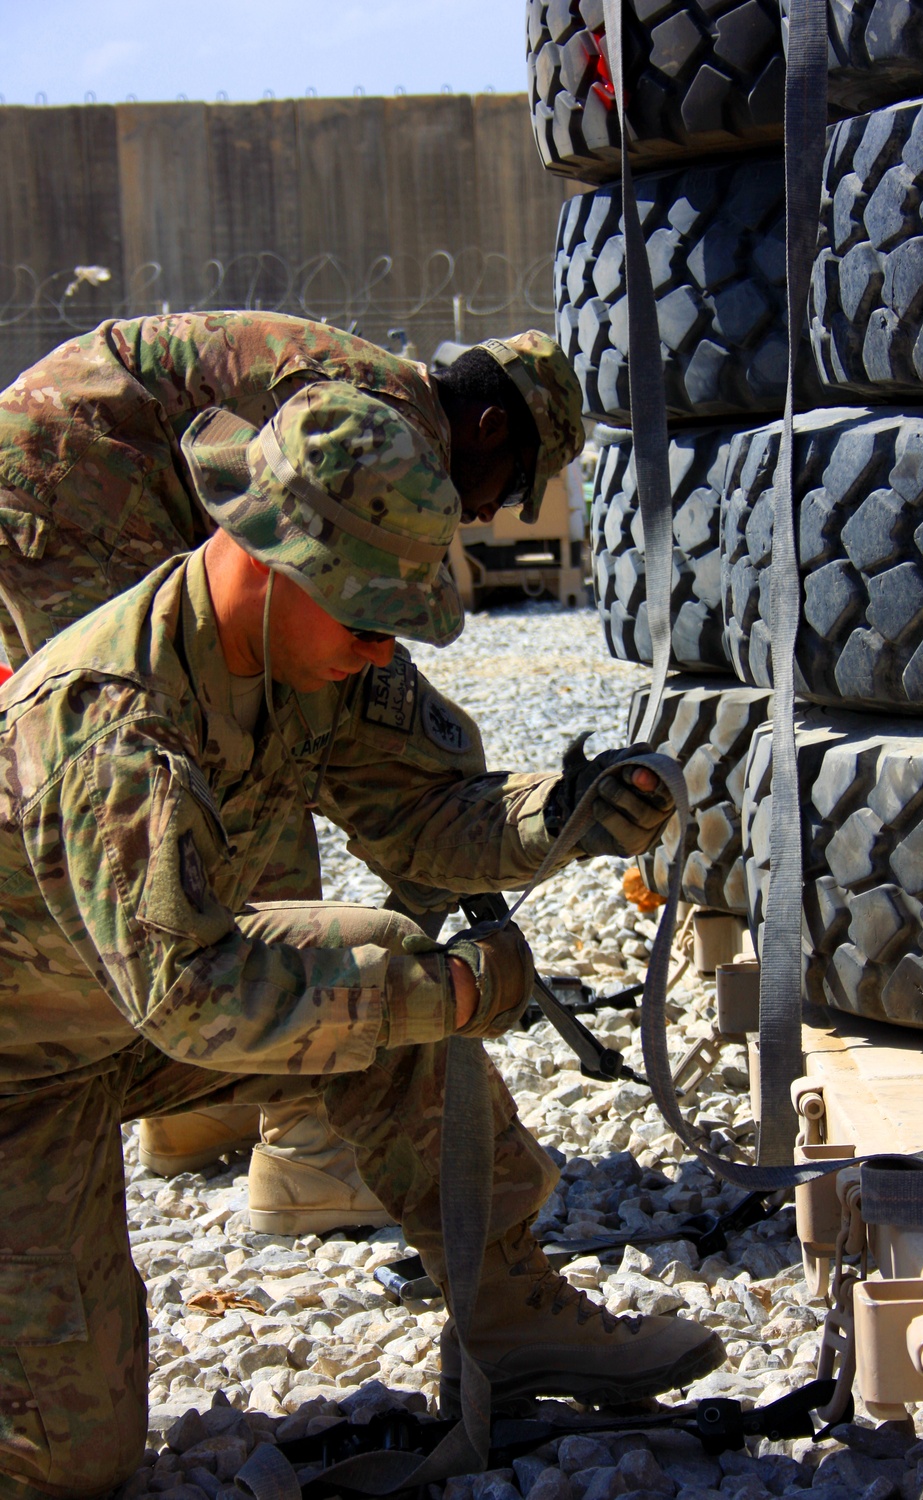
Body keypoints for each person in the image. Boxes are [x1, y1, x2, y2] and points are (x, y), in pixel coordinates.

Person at [0, 366, 724, 1497]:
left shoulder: (320, 655)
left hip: (124, 1017)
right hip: (23, 1079)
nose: (384, 652)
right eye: (366, 618)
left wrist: (566, 814)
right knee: (66, 1465)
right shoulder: (109, 721)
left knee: (383, 958)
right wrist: (441, 997)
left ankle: (509, 1307)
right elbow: (190, 991)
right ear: (266, 559)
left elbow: (428, 814)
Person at [0, 312, 581, 1235]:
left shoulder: (383, 424)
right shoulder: (381, 429)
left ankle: (200, 1116)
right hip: (79, 471)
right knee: (204, 779)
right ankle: (301, 1143)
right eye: (508, 489)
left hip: (76, 458)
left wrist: (551, 815)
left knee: (258, 742)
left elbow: (399, 777)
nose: (484, 515)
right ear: (491, 428)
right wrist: (432, 995)